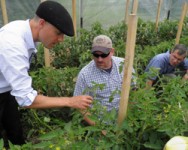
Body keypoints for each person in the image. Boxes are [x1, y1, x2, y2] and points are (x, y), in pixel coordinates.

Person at [0, 1, 93, 148]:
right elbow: (26, 100)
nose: (61, 39)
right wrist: (70, 101)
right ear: (42, 23)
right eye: (58, 33)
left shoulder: (27, 32)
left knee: (15, 134)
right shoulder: (13, 44)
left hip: (7, 90)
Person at [73, 35, 136, 126]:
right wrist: (99, 127)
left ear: (112, 52)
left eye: (104, 55)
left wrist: (129, 116)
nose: (99, 59)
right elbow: (80, 106)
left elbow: (133, 90)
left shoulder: (125, 66)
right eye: (96, 55)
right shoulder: (85, 74)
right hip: (100, 123)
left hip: (125, 120)